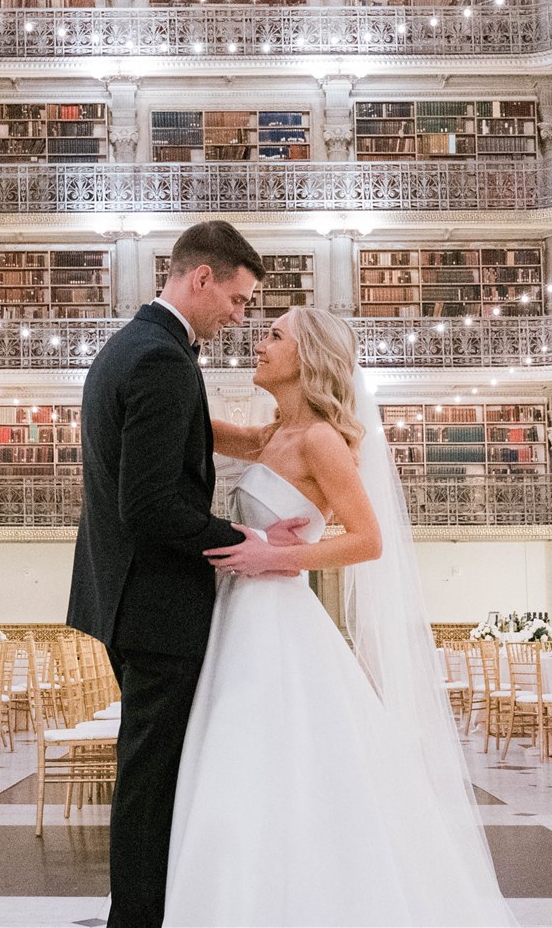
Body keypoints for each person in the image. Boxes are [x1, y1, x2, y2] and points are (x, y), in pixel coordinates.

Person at [166, 305, 513, 926]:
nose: (259, 342)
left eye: (274, 336)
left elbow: (369, 539)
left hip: (276, 613)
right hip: (240, 611)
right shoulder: (271, 434)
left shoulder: (322, 440)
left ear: (308, 357)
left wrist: (284, 553)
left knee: (276, 750)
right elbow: (195, 421)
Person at [66, 220, 307, 928]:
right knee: (151, 784)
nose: (241, 316)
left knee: (155, 775)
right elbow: (148, 507)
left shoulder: (132, 345)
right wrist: (249, 537)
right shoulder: (164, 361)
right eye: (238, 298)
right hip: (158, 607)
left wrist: (255, 438)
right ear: (202, 277)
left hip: (126, 597)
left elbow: (167, 446)